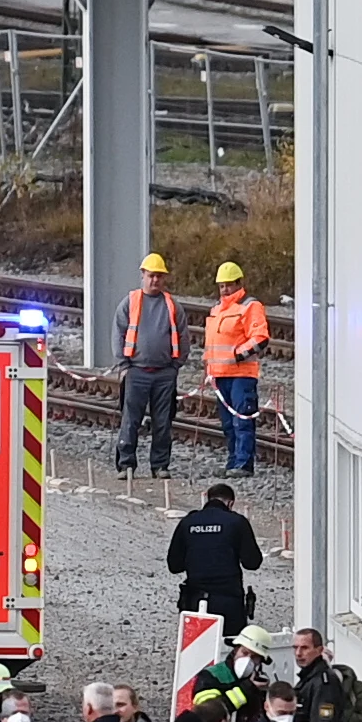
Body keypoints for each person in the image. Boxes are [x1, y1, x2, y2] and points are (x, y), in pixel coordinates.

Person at [113, 253, 190, 476]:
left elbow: (183, 335)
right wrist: (124, 365)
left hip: (165, 372)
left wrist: (176, 365)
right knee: (130, 420)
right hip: (136, 370)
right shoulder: (131, 302)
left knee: (163, 422)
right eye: (151, 276)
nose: (155, 280)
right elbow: (118, 332)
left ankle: (160, 465)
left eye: (159, 276)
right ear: (143, 276)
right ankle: (126, 463)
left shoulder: (172, 306)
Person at [168, 484, 262, 650]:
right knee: (230, 654)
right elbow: (252, 562)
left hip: (195, 601)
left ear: (207, 499)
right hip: (229, 601)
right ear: (230, 503)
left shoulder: (188, 522)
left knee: (197, 652)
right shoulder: (236, 522)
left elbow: (174, 565)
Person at [204, 263, 272, 475]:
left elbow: (260, 337)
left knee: (242, 420)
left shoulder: (250, 306)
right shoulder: (216, 310)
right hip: (220, 375)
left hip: (242, 375)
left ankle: (243, 464)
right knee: (227, 424)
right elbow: (212, 343)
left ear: (239, 284)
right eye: (221, 286)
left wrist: (237, 355)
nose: (224, 290)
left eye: (228, 285)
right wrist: (209, 368)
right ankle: (233, 462)